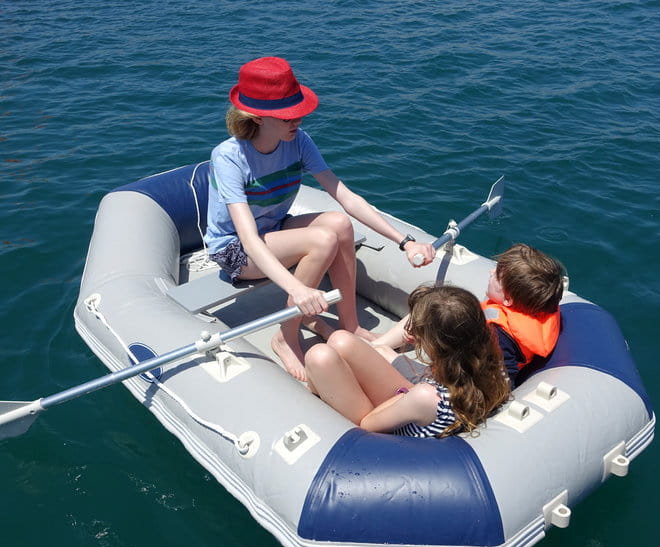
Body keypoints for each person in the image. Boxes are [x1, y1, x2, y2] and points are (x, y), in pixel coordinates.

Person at [204, 56, 436, 380]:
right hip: (235, 250)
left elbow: (344, 196)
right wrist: (296, 290)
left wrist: (405, 242)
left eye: (297, 111)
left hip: (274, 230)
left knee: (340, 225)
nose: (296, 119)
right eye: (287, 115)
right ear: (256, 116)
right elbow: (248, 240)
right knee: (323, 238)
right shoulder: (229, 157)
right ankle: (285, 337)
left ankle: (350, 324)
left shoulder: (298, 140)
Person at [305, 285, 509, 438]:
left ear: (437, 345)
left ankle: (317, 390)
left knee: (319, 357)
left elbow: (366, 425)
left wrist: (401, 397)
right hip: (419, 407)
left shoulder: (426, 397)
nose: (412, 334)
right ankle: (320, 386)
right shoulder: (494, 367)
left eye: (419, 333)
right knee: (340, 340)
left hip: (387, 427)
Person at [372, 243, 566, 385]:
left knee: (383, 354)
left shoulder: (499, 338)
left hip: (445, 384)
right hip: (457, 356)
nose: (490, 272)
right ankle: (376, 345)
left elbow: (497, 380)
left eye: (497, 275)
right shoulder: (535, 309)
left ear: (508, 300)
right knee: (424, 310)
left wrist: (428, 341)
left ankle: (373, 349)